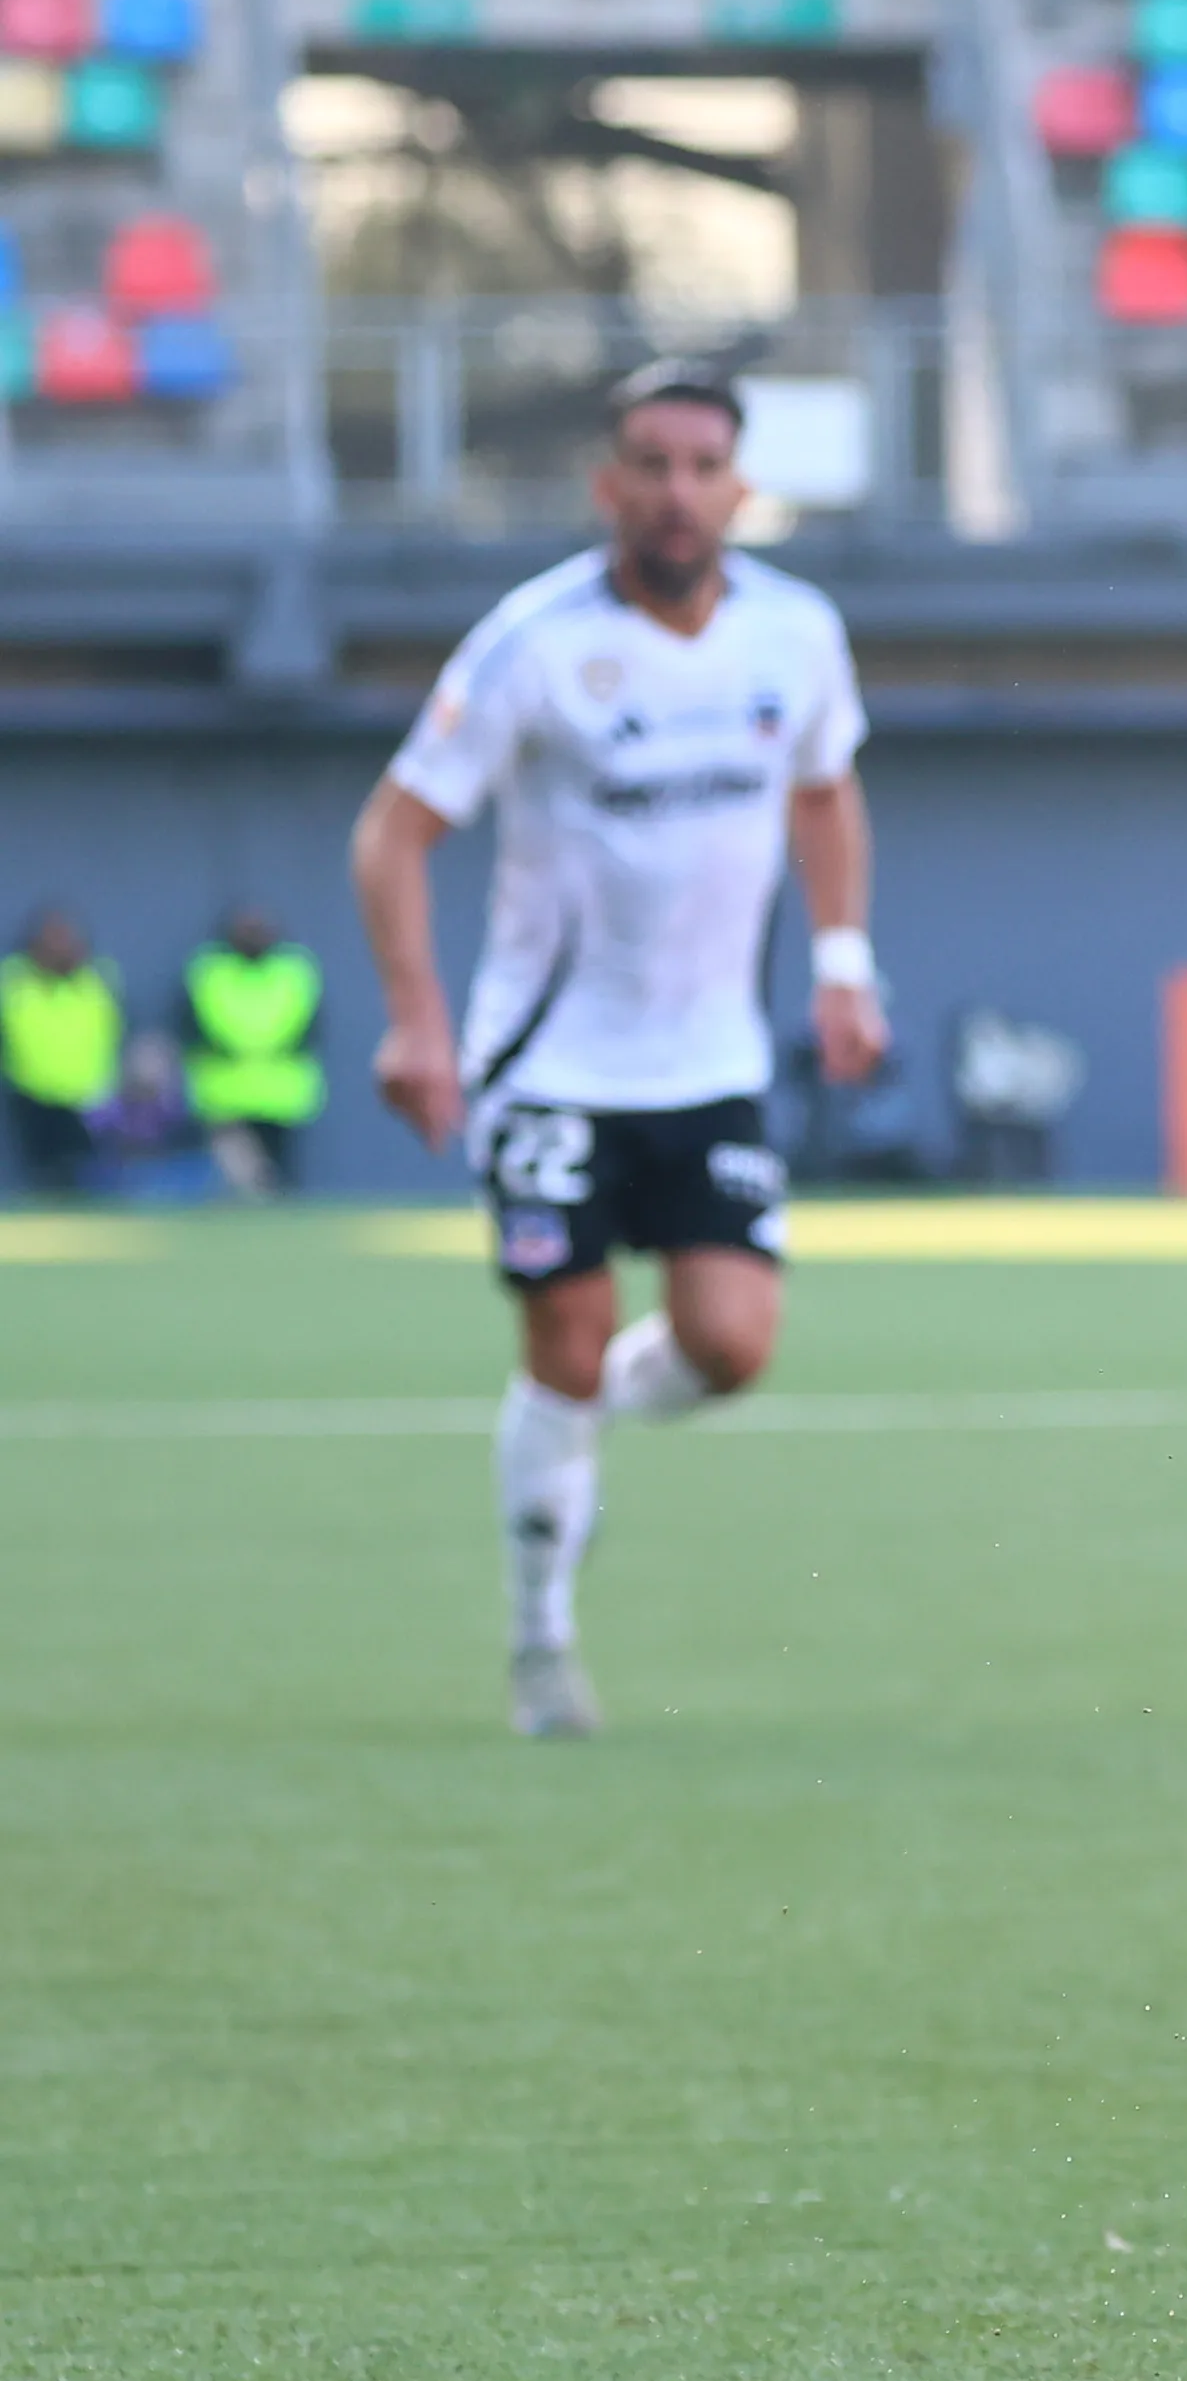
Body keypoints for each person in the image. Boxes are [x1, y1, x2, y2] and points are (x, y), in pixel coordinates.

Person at [347, 362, 884, 1741]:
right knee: (567, 1333)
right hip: (552, 1062)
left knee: (732, 1342)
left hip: (708, 1058)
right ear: (609, 485)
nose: (678, 490)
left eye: (704, 465)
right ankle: (541, 1640)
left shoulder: (796, 635)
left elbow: (824, 793)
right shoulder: (533, 645)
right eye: (651, 463)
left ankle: (567, 1431)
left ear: (739, 487)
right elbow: (394, 830)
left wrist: (840, 960)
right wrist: (416, 1017)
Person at [182, 902, 325, 1195]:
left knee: (278, 1183)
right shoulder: (209, 971)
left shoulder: (295, 971)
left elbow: (312, 1028)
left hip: (282, 1097)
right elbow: (191, 1027)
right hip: (223, 1095)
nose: (254, 935)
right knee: (235, 1181)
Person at [4, 902, 122, 1195]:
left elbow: (116, 1031)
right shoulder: (13, 980)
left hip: (89, 1100)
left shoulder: (98, 979)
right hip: (30, 1097)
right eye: (52, 939)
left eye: (67, 938)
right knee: (42, 1182)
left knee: (87, 1183)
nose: (61, 947)